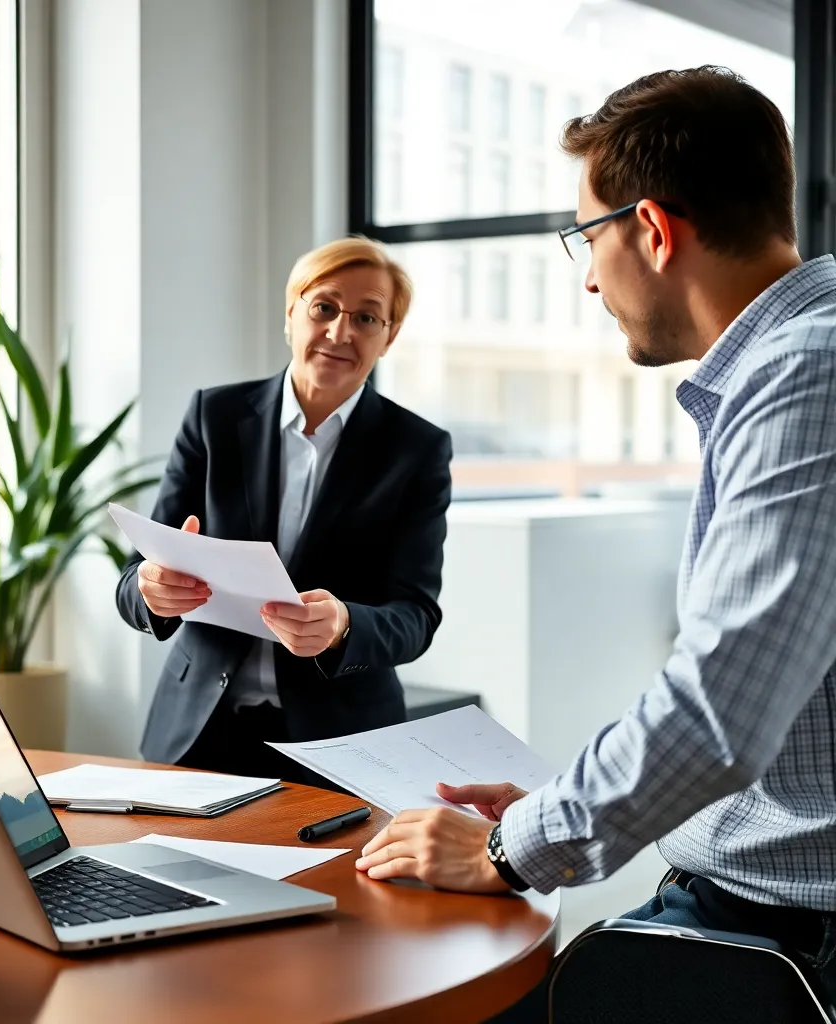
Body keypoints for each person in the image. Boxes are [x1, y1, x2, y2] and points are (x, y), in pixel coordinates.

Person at [355, 66, 836, 1018]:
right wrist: (544, 803)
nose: (584, 274)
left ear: (653, 231)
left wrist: (509, 848)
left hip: (779, 944)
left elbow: (720, 715)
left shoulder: (805, 376)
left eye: (586, 236)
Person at [115, 237, 453, 783]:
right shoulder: (214, 416)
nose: (341, 332)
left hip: (340, 744)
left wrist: (345, 623)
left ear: (388, 337)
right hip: (199, 732)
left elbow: (416, 615)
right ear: (291, 312)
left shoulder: (417, 449)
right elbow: (133, 580)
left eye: (367, 317)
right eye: (324, 307)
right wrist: (153, 591)